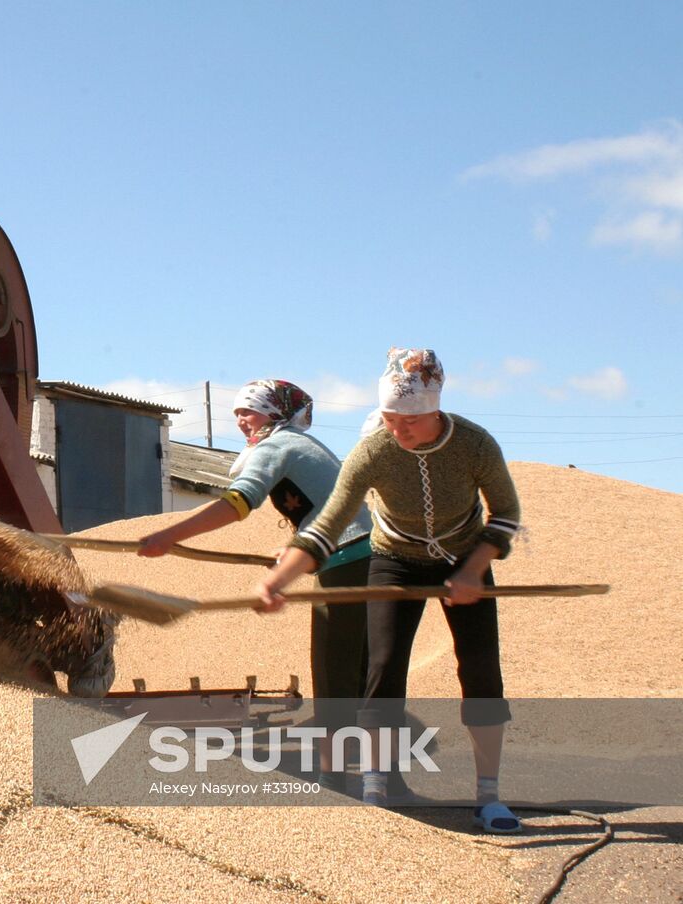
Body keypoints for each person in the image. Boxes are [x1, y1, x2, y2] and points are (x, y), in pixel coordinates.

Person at [256, 348, 523, 832]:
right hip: (394, 559)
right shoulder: (374, 449)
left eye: (410, 420)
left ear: (435, 409)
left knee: (482, 672)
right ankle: (376, 786)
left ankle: (489, 796)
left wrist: (472, 570)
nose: (398, 429)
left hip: (465, 557)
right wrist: (280, 578)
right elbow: (327, 525)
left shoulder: (475, 444)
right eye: (389, 418)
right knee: (383, 668)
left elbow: (505, 514)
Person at [138, 379, 373, 789]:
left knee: (334, 672)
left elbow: (237, 503)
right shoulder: (300, 443)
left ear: (273, 413)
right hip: (365, 558)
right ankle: (379, 776)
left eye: (248, 411)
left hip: (347, 561)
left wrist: (169, 536)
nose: (240, 420)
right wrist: (295, 549)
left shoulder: (277, 445)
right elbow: (325, 507)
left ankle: (335, 780)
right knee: (363, 670)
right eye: (236, 413)